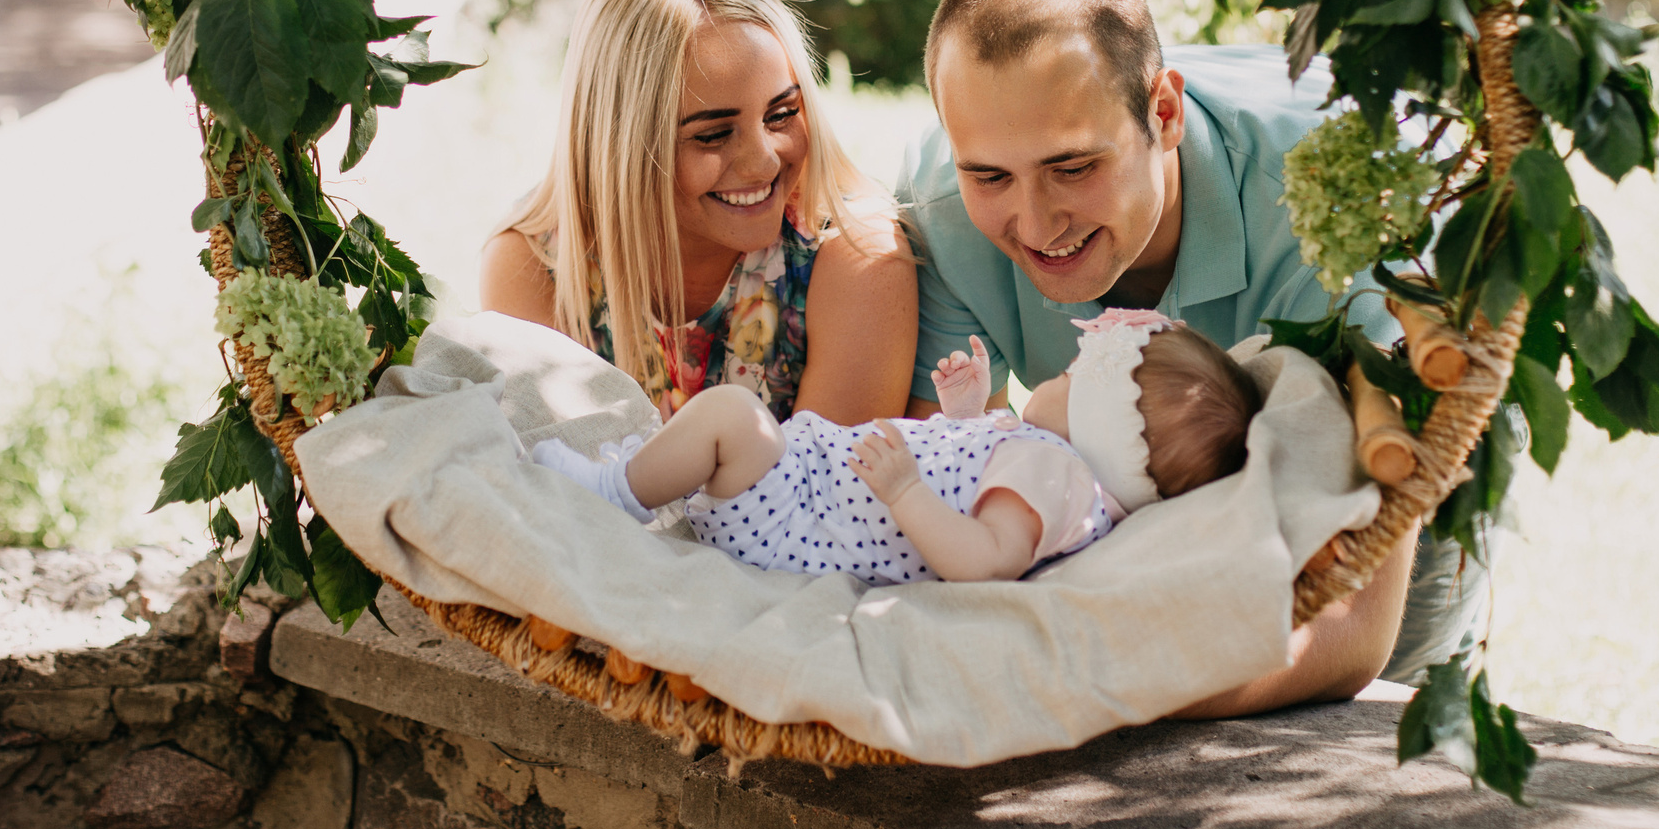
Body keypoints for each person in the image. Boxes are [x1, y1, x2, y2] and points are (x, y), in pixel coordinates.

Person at [897, 0, 1487, 712]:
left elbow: (1351, 629)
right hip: (1118, 498)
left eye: (1073, 167)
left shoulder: (1335, 211)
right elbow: (948, 482)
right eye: (990, 176)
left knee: (1400, 734)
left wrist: (1093, 678)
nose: (1035, 222)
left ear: (1164, 114)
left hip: (1387, 468)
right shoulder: (941, 210)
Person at [483, 0, 916, 426]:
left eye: (783, 113)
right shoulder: (535, 263)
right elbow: (547, 487)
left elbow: (831, 490)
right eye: (712, 135)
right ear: (622, 145)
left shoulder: (857, 250)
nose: (762, 163)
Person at [531, 310, 1258, 586]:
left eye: (1072, 377)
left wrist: (906, 490)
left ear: (1105, 433)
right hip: (813, 499)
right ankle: (644, 471)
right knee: (734, 425)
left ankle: (614, 493)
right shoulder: (1045, 460)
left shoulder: (1058, 472)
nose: (1057, 376)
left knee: (731, 414)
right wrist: (969, 414)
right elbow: (975, 487)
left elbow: (984, 557)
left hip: (805, 527)